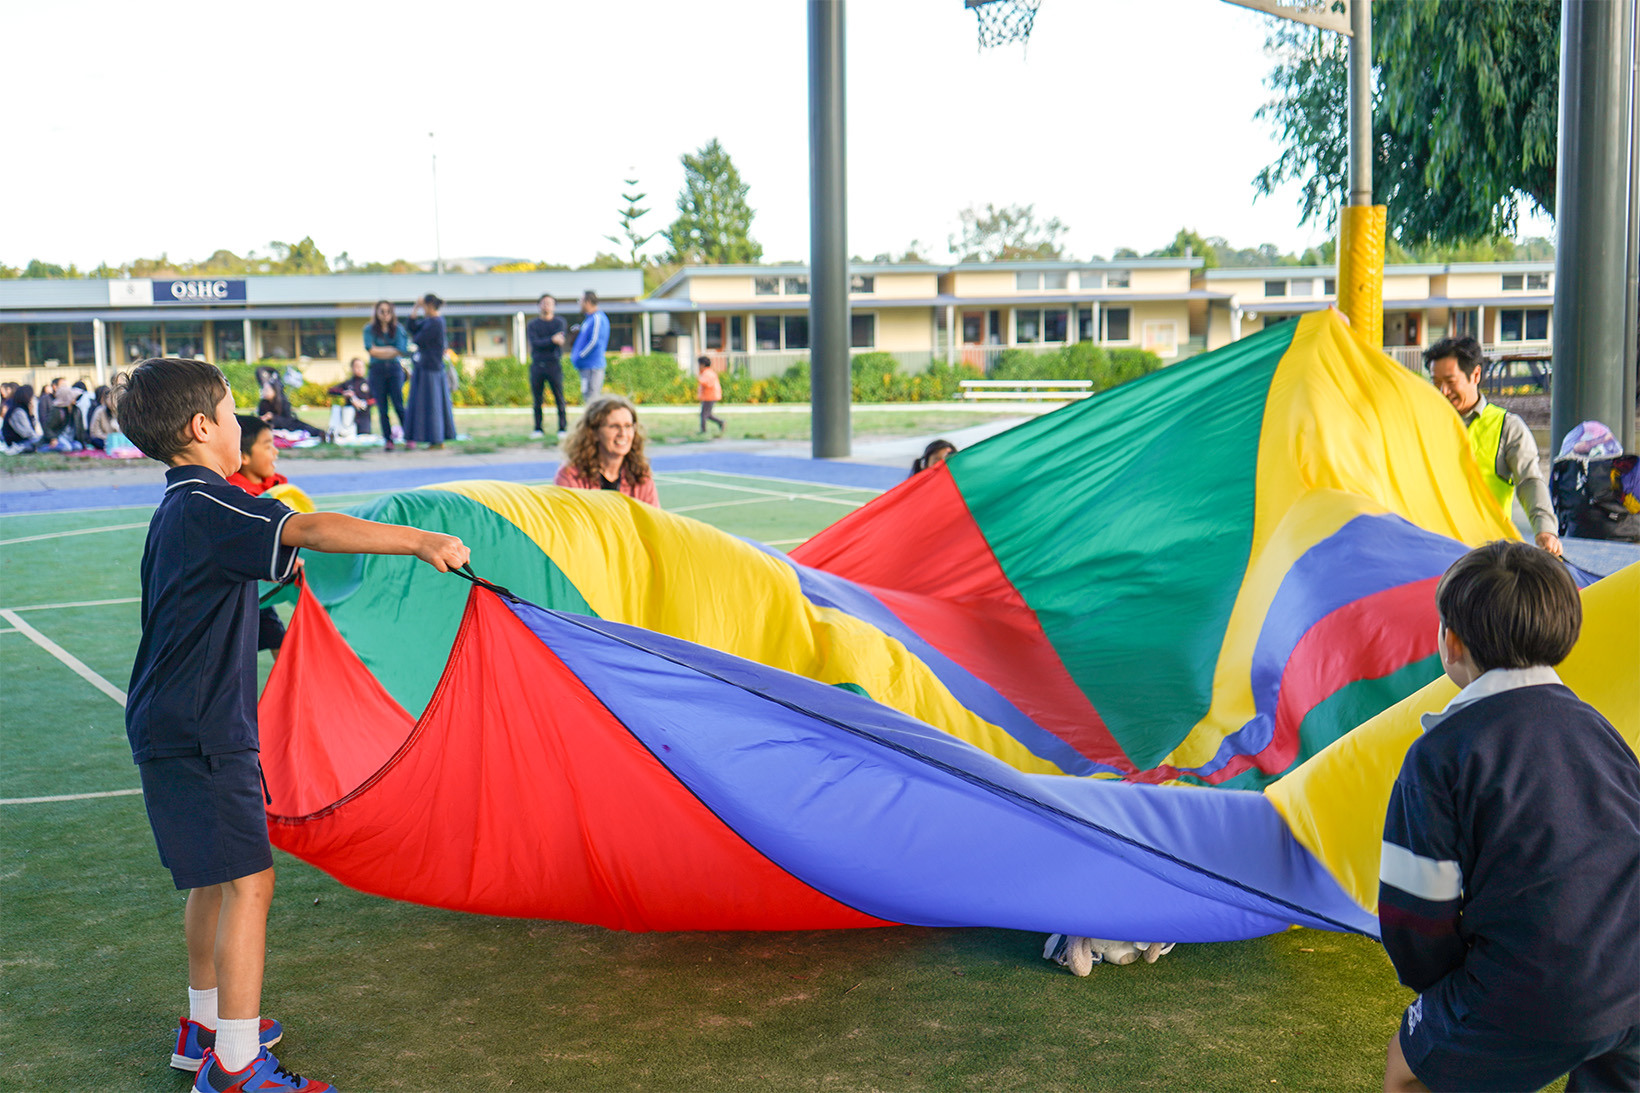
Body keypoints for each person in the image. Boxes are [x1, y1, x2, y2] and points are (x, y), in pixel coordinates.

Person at [114, 356, 468, 1092]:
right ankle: (237, 1068)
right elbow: (305, 525)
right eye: (233, 410)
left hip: (169, 718)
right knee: (251, 883)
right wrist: (418, 541)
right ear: (202, 427)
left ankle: (206, 1027)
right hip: (206, 728)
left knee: (213, 879)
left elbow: (222, 586)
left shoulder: (178, 507)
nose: (244, 423)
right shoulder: (214, 500)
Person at [1380, 541, 1639, 1093]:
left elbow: (1415, 918)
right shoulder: (1599, 729)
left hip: (1543, 988)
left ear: (1451, 642)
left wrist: (1443, 988)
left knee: (1408, 1072)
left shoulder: (1441, 754)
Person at [1424, 337, 1561, 557]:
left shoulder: (1508, 427)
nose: (1442, 391)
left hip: (1486, 556)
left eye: (1450, 381)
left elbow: (1529, 481)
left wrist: (1545, 529)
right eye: (1435, 381)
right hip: (1432, 549)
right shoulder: (1423, 423)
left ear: (1475, 375)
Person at [227, 416, 296, 654]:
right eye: (268, 446)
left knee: (281, 644)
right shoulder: (234, 497)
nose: (275, 452)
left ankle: (296, 691)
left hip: (258, 596)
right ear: (243, 456)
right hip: (234, 598)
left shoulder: (277, 488)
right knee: (233, 656)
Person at [553, 394, 658, 505]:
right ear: (594, 433)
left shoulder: (641, 476)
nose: (623, 434)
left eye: (628, 426)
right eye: (614, 426)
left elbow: (654, 520)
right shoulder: (570, 476)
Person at [405, 293, 457, 450]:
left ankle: (437, 439)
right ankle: (431, 438)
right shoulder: (429, 321)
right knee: (424, 404)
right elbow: (412, 327)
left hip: (432, 369)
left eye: (423, 306)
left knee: (434, 405)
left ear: (429, 306)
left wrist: (416, 334)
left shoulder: (437, 323)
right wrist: (415, 308)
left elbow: (418, 339)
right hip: (423, 368)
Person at [363, 300, 409, 450]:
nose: (385, 314)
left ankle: (409, 436)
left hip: (395, 370)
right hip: (377, 370)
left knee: (398, 404)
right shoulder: (369, 329)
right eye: (382, 311)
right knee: (382, 408)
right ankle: (388, 440)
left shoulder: (398, 329)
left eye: (388, 311)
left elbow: (401, 349)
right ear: (376, 312)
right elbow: (371, 350)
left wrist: (381, 350)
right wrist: (391, 349)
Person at [526, 294, 569, 439]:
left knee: (559, 397)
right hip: (537, 365)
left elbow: (560, 340)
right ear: (539, 305)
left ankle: (562, 428)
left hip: (554, 364)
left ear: (554, 306)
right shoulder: (532, 325)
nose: (546, 306)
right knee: (537, 399)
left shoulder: (559, 323)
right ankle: (538, 428)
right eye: (544, 303)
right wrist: (551, 339)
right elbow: (535, 343)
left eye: (550, 303)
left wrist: (548, 341)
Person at [255, 368, 324, 440]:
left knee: (303, 426)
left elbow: (288, 420)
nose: (264, 392)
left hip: (288, 425)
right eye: (264, 389)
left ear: (274, 391)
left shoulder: (282, 402)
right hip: (273, 428)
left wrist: (273, 417)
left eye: (267, 390)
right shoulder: (263, 403)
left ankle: (322, 434)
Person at [570, 289, 610, 402]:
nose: (579, 303)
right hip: (585, 366)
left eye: (580, 300)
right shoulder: (588, 319)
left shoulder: (597, 318)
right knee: (587, 397)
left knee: (593, 399)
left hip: (592, 366)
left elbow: (595, 341)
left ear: (587, 301)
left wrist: (580, 355)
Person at [325, 358, 373, 439]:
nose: (360, 369)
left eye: (362, 367)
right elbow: (331, 390)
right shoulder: (348, 384)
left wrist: (363, 403)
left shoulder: (369, 383)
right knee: (347, 436)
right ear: (352, 368)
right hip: (349, 416)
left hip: (364, 417)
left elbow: (375, 399)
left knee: (364, 437)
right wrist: (344, 393)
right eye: (357, 367)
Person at [2, 383, 41, 453]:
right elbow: (27, 433)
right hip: (17, 444)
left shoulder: (23, 409)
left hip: (23, 441)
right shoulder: (18, 412)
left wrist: (31, 414)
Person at [696, 355, 726, 435]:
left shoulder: (708, 373)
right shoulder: (706, 372)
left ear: (702, 365)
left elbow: (708, 383)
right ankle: (721, 422)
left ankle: (703, 431)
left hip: (710, 396)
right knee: (707, 414)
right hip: (709, 396)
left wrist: (699, 380)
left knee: (704, 415)